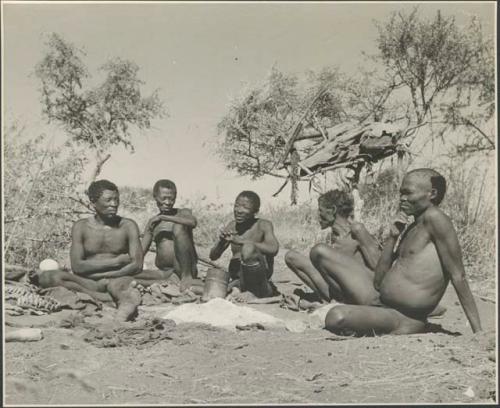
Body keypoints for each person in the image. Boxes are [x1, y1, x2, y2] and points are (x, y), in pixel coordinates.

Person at [324, 168, 482, 335]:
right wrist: (393, 237)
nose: (402, 198)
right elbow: (378, 281)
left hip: (406, 316)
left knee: (336, 316)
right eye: (401, 193)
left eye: (408, 193)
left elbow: (458, 275)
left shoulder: (436, 219)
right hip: (383, 303)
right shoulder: (413, 226)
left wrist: (478, 332)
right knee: (321, 253)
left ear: (432, 194)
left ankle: (404, 325)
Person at [38, 180, 143, 321]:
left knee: (118, 285)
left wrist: (111, 276)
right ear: (93, 202)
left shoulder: (128, 225)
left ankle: (123, 305)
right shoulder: (81, 227)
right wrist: (116, 261)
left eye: (116, 200)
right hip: (89, 282)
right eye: (108, 200)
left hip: (119, 279)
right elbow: (77, 266)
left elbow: (137, 264)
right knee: (47, 277)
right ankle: (105, 298)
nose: (114, 204)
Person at [284, 189, 381, 308]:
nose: (318, 215)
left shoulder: (357, 230)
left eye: (321, 211)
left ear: (333, 210)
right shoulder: (334, 236)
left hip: (361, 291)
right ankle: (330, 301)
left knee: (319, 252)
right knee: (291, 257)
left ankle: (336, 304)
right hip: (340, 291)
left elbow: (379, 267)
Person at [209, 191, 279, 302]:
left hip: (260, 283)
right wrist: (221, 242)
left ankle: (253, 292)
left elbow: (273, 249)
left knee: (248, 248)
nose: (239, 211)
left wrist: (242, 241)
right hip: (238, 280)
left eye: (245, 207)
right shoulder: (232, 225)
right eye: (236, 205)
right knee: (211, 289)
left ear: (255, 211)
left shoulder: (263, 225)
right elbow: (213, 256)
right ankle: (239, 290)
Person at [141, 179, 201, 293]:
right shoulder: (153, 222)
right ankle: (170, 281)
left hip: (184, 270)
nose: (168, 202)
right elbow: (141, 252)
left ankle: (186, 277)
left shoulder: (183, 213)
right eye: (164, 198)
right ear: (155, 197)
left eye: (171, 198)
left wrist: (164, 217)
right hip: (165, 271)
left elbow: (192, 222)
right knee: (128, 276)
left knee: (178, 226)